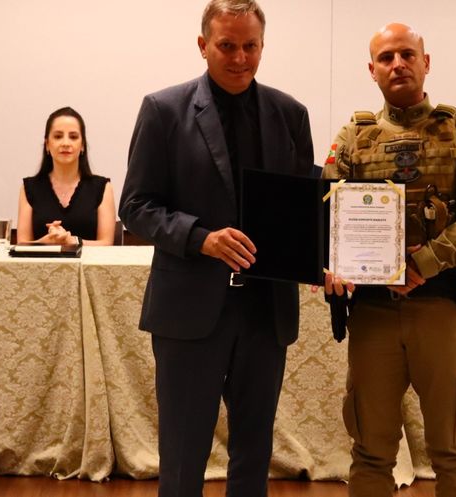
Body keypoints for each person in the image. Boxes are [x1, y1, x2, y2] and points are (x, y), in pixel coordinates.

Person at [118, 1, 314, 495]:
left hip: (266, 310)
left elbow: (303, 208)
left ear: (263, 46)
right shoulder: (163, 109)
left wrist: (325, 254)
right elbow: (135, 206)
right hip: (189, 309)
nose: (240, 58)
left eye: (251, 46)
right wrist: (201, 238)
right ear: (203, 45)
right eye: (227, 46)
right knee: (183, 454)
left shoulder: (291, 114)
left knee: (255, 452)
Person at [323, 23, 456, 497]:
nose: (397, 64)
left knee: (452, 448)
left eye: (407, 54)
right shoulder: (353, 138)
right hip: (373, 312)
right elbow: (325, 214)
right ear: (372, 70)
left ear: (426, 62)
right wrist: (331, 262)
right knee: (370, 450)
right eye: (386, 58)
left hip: (440, 309)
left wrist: (425, 262)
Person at [17, 107, 116, 245]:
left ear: (82, 145)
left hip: (89, 260)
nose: (65, 143)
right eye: (58, 136)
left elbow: (106, 243)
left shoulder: (103, 187)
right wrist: (46, 242)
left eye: (73, 137)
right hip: (41, 260)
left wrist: (72, 241)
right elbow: (22, 243)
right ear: (47, 144)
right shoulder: (29, 188)